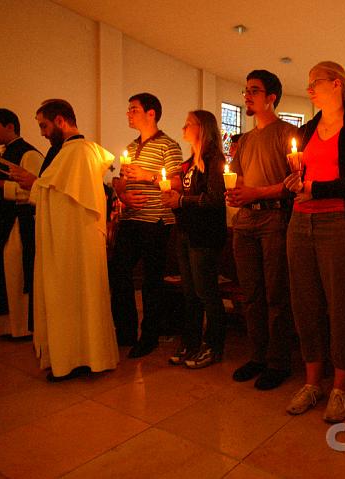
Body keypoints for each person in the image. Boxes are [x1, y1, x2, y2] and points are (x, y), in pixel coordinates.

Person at [282, 61, 345, 422]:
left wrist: (314, 188)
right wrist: (294, 184)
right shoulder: (307, 131)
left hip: (339, 223)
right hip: (300, 223)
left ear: (336, 84)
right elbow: (299, 176)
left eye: (314, 83)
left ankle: (340, 387)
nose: (309, 90)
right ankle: (311, 383)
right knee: (304, 306)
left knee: (339, 309)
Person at [10, 99, 119, 381]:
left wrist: (34, 184)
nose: (43, 133)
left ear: (60, 121)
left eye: (44, 125)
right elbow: (62, 191)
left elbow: (63, 197)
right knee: (74, 297)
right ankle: (79, 356)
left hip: (73, 242)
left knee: (71, 297)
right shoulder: (70, 152)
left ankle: (78, 358)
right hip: (71, 239)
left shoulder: (78, 151)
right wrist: (36, 184)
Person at [226, 70, 297, 390]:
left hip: (274, 220)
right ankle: (257, 356)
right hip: (245, 222)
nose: (247, 96)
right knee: (251, 295)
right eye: (246, 90)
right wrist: (236, 190)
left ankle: (279, 361)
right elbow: (240, 179)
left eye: (254, 91)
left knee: (275, 295)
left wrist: (256, 193)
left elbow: (293, 184)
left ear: (271, 97)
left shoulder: (287, 133)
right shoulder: (247, 139)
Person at [110, 92, 183, 358]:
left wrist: (149, 175)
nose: (129, 114)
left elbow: (177, 182)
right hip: (131, 219)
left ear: (151, 113)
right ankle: (125, 331)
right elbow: (120, 181)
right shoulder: (130, 147)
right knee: (117, 273)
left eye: (134, 109)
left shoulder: (169, 145)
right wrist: (122, 194)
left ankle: (150, 335)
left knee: (152, 280)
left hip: (156, 221)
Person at [162, 110, 227, 368]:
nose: (183, 128)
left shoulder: (215, 160)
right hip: (186, 232)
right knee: (190, 293)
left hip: (206, 235)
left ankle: (213, 345)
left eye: (188, 124)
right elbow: (188, 195)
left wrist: (180, 200)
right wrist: (172, 199)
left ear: (202, 128)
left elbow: (214, 199)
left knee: (206, 292)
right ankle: (191, 343)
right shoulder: (191, 162)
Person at [0, 108, 43, 338]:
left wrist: (0, 186)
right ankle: (3, 326)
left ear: (10, 126)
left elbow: (36, 191)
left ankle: (22, 327)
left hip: (18, 222)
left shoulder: (29, 154)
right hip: (0, 220)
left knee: (16, 274)